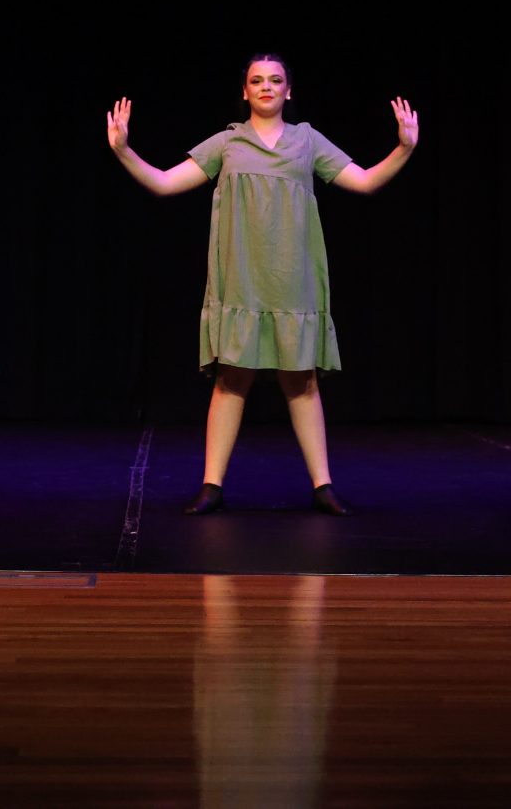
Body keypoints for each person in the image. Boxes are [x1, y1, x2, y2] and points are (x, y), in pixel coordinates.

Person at [106, 55, 417, 516]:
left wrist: (404, 148)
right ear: (245, 93)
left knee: (302, 381)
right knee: (231, 380)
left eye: (275, 80)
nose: (266, 86)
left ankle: (323, 486)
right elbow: (166, 184)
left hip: (293, 281)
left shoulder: (307, 141)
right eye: (257, 81)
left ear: (289, 91)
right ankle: (212, 485)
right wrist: (123, 150)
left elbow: (366, 182)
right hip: (243, 281)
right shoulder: (228, 143)